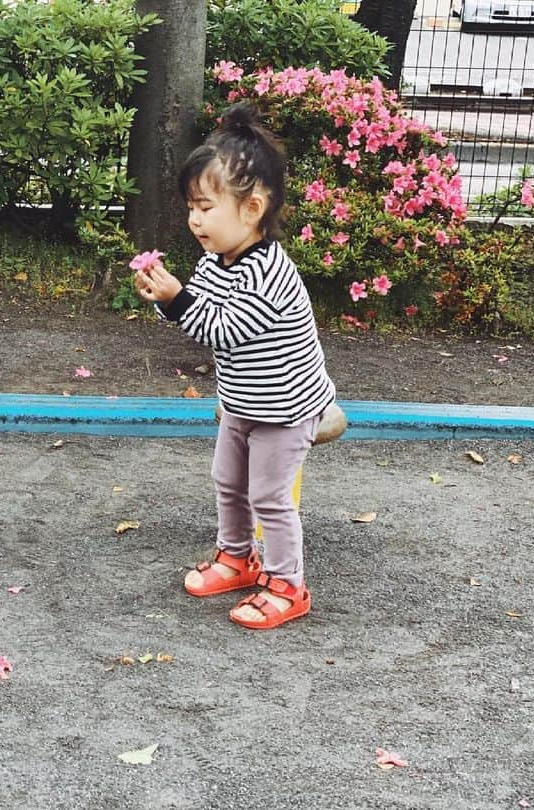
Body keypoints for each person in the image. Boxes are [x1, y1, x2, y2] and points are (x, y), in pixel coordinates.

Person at [132, 101, 336, 630]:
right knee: (227, 480)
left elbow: (221, 327)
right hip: (243, 400)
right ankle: (236, 556)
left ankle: (288, 584)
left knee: (269, 495)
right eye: (191, 208)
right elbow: (197, 317)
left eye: (205, 207)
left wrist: (177, 301)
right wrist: (165, 298)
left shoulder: (267, 271)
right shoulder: (215, 261)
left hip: (285, 407)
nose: (194, 219)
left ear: (252, 209)